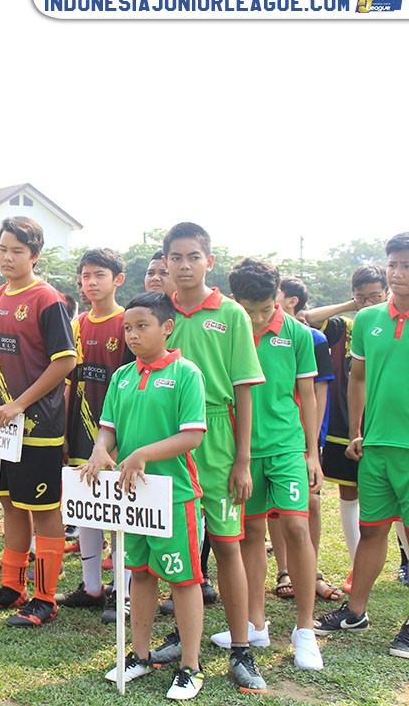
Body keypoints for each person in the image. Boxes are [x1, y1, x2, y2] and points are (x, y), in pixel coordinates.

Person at [152, 222, 268, 694]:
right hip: (169, 439)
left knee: (226, 544)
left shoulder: (233, 314)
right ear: (165, 262)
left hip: (217, 438)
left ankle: (241, 650)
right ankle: (183, 635)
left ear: (209, 261)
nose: (184, 265)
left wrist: (242, 459)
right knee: (177, 545)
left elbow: (244, 389)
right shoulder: (158, 312)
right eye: (175, 257)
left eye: (193, 257)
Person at [82, 291, 208, 701]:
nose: (133, 335)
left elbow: (191, 434)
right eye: (129, 329)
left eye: (142, 327)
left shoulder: (187, 373)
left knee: (184, 580)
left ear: (166, 328)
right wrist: (102, 449)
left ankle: (191, 665)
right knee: (140, 573)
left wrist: (142, 454)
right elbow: (109, 428)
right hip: (130, 497)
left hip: (173, 496)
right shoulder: (121, 376)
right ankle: (139, 655)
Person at [0, 217, 77, 623]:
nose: (8, 257)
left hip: (39, 424)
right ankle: (13, 586)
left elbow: (65, 360)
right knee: (12, 504)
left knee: (44, 508)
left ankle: (45, 598)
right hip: (0, 423)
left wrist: (20, 404)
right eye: (2, 249)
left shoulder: (48, 299)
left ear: (34, 254)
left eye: (17, 250)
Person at [224, 258, 323, 672]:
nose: (258, 318)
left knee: (297, 528)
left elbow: (308, 395)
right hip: (238, 450)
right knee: (249, 531)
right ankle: (255, 623)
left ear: (279, 295)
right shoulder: (228, 331)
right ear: (235, 301)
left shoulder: (298, 334)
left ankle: (305, 630)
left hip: (286, 447)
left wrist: (312, 452)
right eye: (249, 310)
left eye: (265, 309)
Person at [315, 232, 409, 659]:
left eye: (406, 265)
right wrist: (357, 430)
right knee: (372, 530)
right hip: (375, 446)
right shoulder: (369, 320)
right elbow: (358, 377)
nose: (398, 273)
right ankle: (355, 611)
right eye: (393, 264)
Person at [303, 265, 392, 594]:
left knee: (392, 500)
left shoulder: (395, 322)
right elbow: (309, 318)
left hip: (387, 423)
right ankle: (358, 567)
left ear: (387, 292)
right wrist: (351, 305)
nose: (368, 303)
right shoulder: (348, 326)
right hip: (345, 423)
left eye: (375, 296)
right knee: (349, 492)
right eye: (361, 296)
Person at [61, 248, 136, 623]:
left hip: (118, 433)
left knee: (119, 511)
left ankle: (122, 593)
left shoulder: (128, 323)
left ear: (117, 279)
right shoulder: (77, 325)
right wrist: (62, 429)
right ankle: (92, 587)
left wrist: (122, 437)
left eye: (99, 276)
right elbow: (68, 381)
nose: (91, 283)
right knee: (85, 504)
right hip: (79, 426)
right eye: (85, 276)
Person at [270, 277, 338, 602]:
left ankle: (312, 573)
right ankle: (284, 570)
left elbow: (317, 393)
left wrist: (315, 444)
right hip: (272, 436)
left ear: (292, 300)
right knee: (272, 508)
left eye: (276, 293)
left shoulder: (313, 338)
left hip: (304, 437)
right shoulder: (253, 333)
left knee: (310, 502)